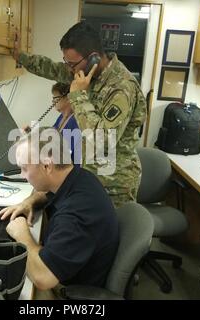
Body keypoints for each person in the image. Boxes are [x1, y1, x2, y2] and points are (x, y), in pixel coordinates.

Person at [12, 21, 147, 208]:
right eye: (67, 62)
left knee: (107, 235)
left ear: (93, 58)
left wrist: (77, 96)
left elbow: (103, 139)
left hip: (114, 184)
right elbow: (52, 68)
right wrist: (20, 56)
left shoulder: (121, 88)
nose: (69, 69)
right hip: (90, 175)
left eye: (72, 64)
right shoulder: (87, 73)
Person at [0, 127, 119, 291]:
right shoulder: (79, 177)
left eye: (25, 168)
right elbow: (47, 193)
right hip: (76, 267)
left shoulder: (75, 214)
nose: (22, 175)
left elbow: (43, 278)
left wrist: (21, 234)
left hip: (73, 291)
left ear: (47, 166)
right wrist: (29, 202)